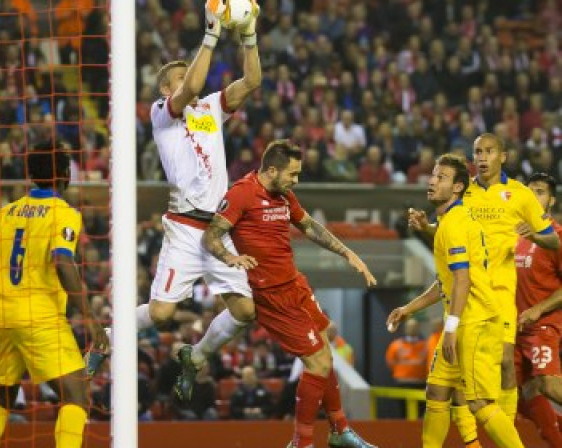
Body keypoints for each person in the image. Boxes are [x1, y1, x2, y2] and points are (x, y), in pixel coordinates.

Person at [203, 140, 377, 448]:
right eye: (292, 174)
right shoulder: (242, 194)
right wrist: (230, 258)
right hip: (272, 296)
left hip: (295, 284)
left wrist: (348, 254)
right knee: (318, 365)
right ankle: (302, 442)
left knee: (326, 348)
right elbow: (211, 235)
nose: (295, 181)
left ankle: (340, 431)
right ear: (272, 170)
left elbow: (309, 227)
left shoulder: (284, 195)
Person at [137, 0, 262, 401]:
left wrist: (248, 36)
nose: (191, 79)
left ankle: (199, 353)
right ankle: (108, 336)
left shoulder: (210, 107)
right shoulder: (162, 112)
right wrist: (210, 34)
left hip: (219, 227)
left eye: (188, 72)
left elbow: (252, 81)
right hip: (185, 225)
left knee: (245, 312)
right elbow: (191, 84)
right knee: (160, 315)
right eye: (180, 75)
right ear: (164, 88)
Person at [409, 133, 560, 423]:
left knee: (505, 363)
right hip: (468, 291)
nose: (481, 157)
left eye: (489, 151)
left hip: (501, 292)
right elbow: (448, 233)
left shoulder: (520, 194)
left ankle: (506, 433)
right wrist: (425, 227)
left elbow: (553, 241)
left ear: (502, 157)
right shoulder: (463, 193)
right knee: (457, 380)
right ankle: (488, 435)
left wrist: (536, 237)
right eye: (477, 151)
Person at [0, 150, 108, 448]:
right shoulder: (64, 213)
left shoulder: (8, 211)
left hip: (3, 315)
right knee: (76, 395)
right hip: (40, 315)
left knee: (3, 395)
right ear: (64, 174)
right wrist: (89, 317)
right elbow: (61, 262)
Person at [388, 153, 524, 448]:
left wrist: (450, 328)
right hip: (463, 320)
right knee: (437, 392)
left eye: (442, 178)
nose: (432, 181)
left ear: (458, 187)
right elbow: (446, 284)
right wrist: (408, 309)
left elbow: (463, 280)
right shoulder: (448, 222)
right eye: (433, 175)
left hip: (474, 323)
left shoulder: (455, 225)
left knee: (481, 403)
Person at [513, 172, 562, 445]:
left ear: (551, 201)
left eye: (540, 192)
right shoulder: (513, 234)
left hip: (543, 325)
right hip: (514, 328)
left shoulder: (556, 237)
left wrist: (538, 309)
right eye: (529, 191)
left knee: (546, 384)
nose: (533, 197)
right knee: (514, 394)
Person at [384, 318, 427, 387]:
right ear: (405, 328)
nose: (412, 329)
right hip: (401, 381)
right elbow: (390, 362)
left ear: (418, 328)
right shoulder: (396, 345)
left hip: (420, 381)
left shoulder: (425, 345)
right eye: (410, 326)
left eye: (414, 327)